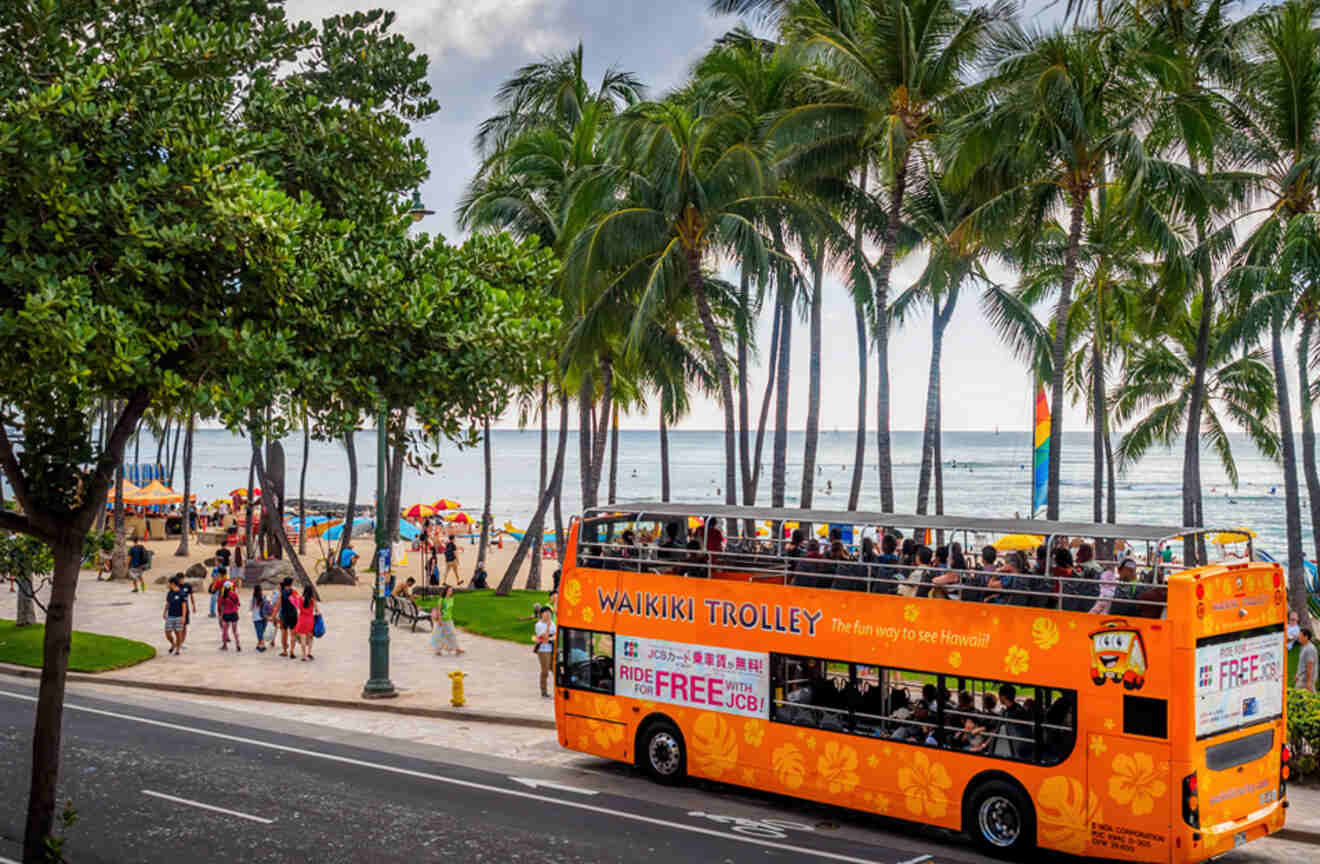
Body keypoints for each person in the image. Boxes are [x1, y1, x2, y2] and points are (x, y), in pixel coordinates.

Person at [431, 585, 463, 656]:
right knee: (442, 635)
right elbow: (439, 610)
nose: (450, 592)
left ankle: (456, 649)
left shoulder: (451, 599)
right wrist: (439, 620)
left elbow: (450, 610)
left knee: (450, 634)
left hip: (449, 619)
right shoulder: (441, 600)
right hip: (443, 620)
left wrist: (451, 618)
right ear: (446, 591)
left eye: (451, 591)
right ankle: (439, 650)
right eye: (449, 590)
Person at [162, 575, 189, 655]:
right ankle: (173, 644)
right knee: (167, 633)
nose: (168, 585)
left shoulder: (182, 593)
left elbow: (184, 606)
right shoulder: (170, 592)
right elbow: (168, 603)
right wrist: (164, 612)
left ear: (173, 584)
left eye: (169, 583)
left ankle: (177, 649)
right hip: (170, 616)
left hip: (179, 616)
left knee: (178, 633)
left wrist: (183, 617)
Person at [534, 605, 556, 697]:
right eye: (545, 613)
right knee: (545, 671)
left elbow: (555, 635)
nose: (548, 615)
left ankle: (558, 690)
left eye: (549, 613)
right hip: (543, 650)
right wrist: (547, 627)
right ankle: (544, 691)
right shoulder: (539, 625)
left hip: (552, 649)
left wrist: (550, 637)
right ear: (541, 614)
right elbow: (545, 638)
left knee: (555, 670)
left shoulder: (552, 623)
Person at [277, 576, 299, 658]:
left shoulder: (282, 594)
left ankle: (284, 651)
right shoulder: (294, 592)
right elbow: (298, 603)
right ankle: (292, 652)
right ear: (291, 584)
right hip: (293, 615)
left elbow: (277, 606)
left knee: (284, 633)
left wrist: (272, 616)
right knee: (293, 634)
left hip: (284, 615)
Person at [217, 579, 242, 651]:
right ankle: (238, 645)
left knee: (225, 631)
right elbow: (238, 604)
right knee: (235, 631)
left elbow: (221, 607)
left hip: (226, 615)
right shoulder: (234, 594)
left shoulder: (222, 596)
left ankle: (225, 645)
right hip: (234, 614)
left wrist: (221, 616)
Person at [295, 583, 317, 661]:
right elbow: (316, 611)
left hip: (302, 620)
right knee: (310, 638)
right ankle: (309, 653)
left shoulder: (300, 599)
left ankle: (303, 656)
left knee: (303, 639)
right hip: (310, 621)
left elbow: (299, 609)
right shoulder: (312, 600)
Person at [251, 584, 271, 652]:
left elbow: (251, 608)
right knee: (262, 631)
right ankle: (259, 644)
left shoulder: (253, 598)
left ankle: (262, 645)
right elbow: (268, 605)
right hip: (264, 617)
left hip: (256, 618)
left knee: (259, 632)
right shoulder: (264, 597)